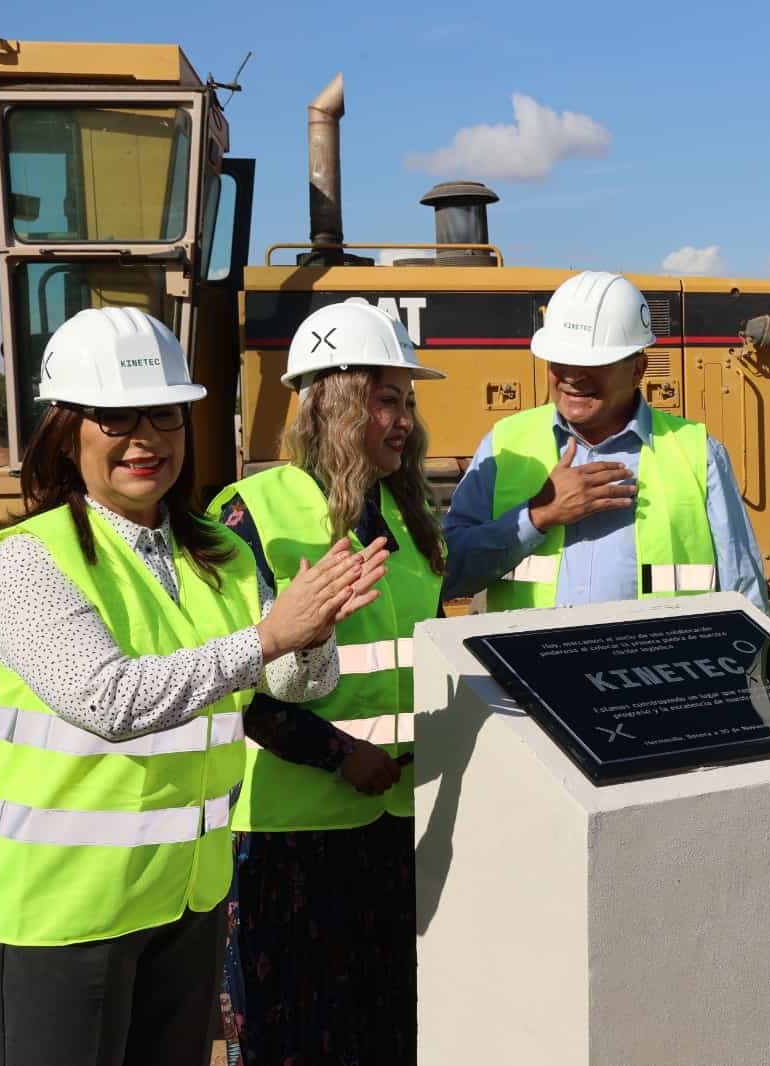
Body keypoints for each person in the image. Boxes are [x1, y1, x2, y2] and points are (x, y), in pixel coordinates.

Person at [0, 306, 385, 1066]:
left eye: (166, 416)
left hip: (184, 894)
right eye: (117, 418)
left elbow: (288, 687)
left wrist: (313, 635)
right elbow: (108, 702)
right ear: (66, 431)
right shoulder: (29, 560)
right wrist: (267, 636)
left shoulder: (213, 548)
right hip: (61, 905)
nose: (146, 439)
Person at [210, 298, 446, 1065]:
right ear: (329, 404)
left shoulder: (405, 516)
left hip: (399, 820)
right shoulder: (250, 514)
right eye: (384, 399)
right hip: (293, 830)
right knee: (293, 1036)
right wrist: (338, 755)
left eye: (406, 400)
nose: (403, 419)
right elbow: (234, 680)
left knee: (390, 1028)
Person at [442, 270, 770, 613]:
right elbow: (447, 574)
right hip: (531, 666)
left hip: (657, 667)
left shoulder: (698, 453)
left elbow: (743, 593)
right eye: (560, 360)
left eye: (592, 362)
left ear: (638, 370)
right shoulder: (505, 444)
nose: (571, 375)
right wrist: (538, 515)